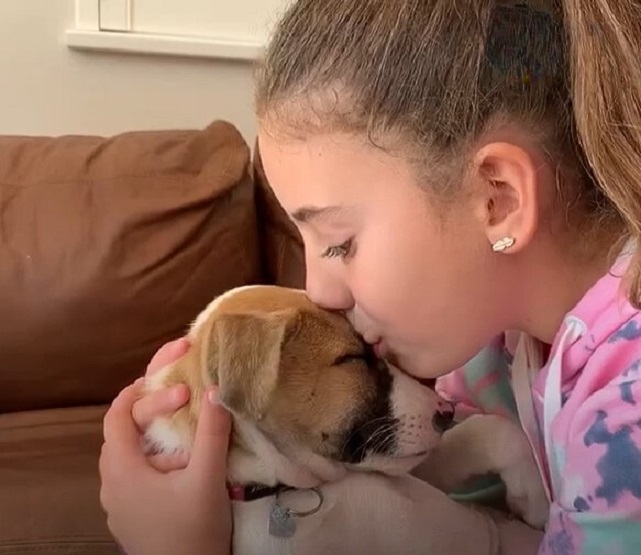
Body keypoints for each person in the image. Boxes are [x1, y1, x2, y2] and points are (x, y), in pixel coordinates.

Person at [99, 1, 641, 554]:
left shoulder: (629, 417)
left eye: (340, 242)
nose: (319, 292)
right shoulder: (491, 345)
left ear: (496, 198)